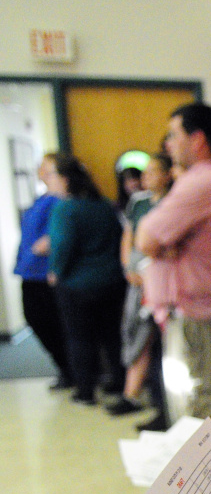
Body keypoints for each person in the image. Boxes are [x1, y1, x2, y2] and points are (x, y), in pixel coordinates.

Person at [135, 103, 211, 426]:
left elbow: (146, 238)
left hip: (207, 322)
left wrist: (166, 245)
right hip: (201, 319)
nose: (168, 144)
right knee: (199, 417)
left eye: (174, 135)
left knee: (208, 422)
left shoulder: (204, 181)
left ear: (197, 140)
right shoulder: (206, 178)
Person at [46, 153, 126, 405]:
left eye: (52, 176)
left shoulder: (65, 209)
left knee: (79, 338)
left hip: (77, 285)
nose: (48, 181)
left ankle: (85, 390)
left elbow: (62, 245)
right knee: (112, 336)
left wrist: (55, 271)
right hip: (111, 281)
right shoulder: (104, 205)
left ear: (65, 179)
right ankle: (119, 382)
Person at [107, 152, 173, 419]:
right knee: (136, 335)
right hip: (137, 280)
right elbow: (129, 236)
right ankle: (131, 393)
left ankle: (164, 402)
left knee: (161, 340)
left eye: (154, 171)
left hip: (163, 282)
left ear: (167, 175)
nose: (147, 177)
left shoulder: (174, 202)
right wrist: (128, 268)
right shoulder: (138, 202)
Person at [14, 154, 70, 389]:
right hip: (30, 270)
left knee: (50, 321)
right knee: (35, 318)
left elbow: (61, 231)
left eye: (48, 168)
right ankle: (65, 367)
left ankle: (70, 369)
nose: (42, 171)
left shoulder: (61, 200)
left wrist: (49, 242)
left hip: (46, 272)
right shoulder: (41, 200)